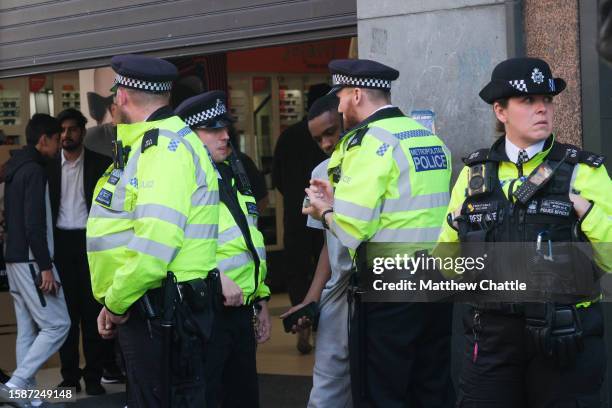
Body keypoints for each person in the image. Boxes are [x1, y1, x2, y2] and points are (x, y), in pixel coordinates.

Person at [438, 57, 612, 407]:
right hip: (491, 336)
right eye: (528, 101)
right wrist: (459, 230)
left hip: (563, 332)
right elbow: (445, 264)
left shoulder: (583, 171)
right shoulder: (474, 175)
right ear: (500, 111)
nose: (542, 109)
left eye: (546, 100)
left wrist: (589, 213)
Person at [303, 59, 455, 407]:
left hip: (390, 288)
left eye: (340, 97)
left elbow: (354, 227)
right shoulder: (425, 137)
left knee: (383, 392)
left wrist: (324, 209)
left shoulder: (367, 142)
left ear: (356, 94)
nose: (339, 106)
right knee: (431, 388)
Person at [86, 54, 220, 408]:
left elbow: (154, 242)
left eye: (115, 92)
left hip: (162, 308)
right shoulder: (155, 143)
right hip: (152, 304)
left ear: (123, 96)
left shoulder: (162, 147)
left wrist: (115, 301)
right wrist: (115, 299)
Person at [175, 90, 272, 408]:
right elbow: (175, 246)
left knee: (243, 398)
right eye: (214, 130)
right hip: (205, 310)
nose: (225, 135)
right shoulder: (181, 180)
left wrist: (261, 299)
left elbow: (249, 240)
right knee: (211, 397)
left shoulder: (232, 171)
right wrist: (215, 276)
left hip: (240, 309)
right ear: (191, 135)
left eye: (225, 128)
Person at [280, 94, 353, 407]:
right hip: (340, 293)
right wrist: (311, 299)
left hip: (383, 284)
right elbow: (328, 245)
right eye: (317, 138)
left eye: (331, 132)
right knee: (327, 388)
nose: (325, 142)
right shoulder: (320, 172)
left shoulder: (375, 162)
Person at [0, 114, 70, 403]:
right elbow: (34, 225)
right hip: (32, 262)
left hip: (14, 259)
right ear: (44, 140)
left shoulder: (14, 169)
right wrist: (45, 267)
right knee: (59, 324)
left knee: (27, 329)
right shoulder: (35, 171)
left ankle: (28, 397)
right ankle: (16, 385)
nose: (60, 146)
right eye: (57, 140)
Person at [47, 108, 112, 395]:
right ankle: (70, 377)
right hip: (61, 245)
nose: (66, 135)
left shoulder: (100, 164)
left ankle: (95, 377)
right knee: (66, 315)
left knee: (92, 310)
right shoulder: (47, 167)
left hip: (92, 244)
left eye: (72, 129)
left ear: (82, 132)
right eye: (61, 130)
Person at [272, 84, 329, 353]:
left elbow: (278, 179)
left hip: (296, 215)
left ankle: (302, 322)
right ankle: (324, 322)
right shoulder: (334, 138)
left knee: (296, 270)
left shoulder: (288, 137)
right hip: (326, 215)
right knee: (327, 265)